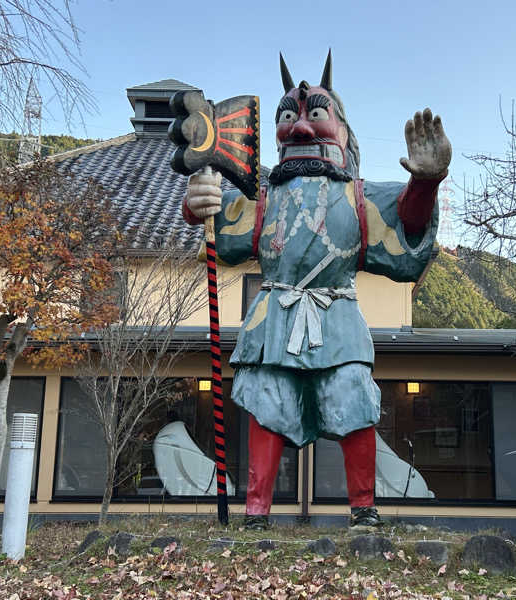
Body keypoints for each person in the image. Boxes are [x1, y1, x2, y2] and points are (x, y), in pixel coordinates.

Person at [182, 52, 451, 530]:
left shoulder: (358, 195)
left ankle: (363, 511)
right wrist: (195, 205)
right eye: (288, 118)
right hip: (276, 313)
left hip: (338, 313)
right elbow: (220, 224)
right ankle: (257, 512)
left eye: (315, 114)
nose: (300, 128)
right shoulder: (262, 198)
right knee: (267, 399)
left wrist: (425, 183)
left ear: (343, 130)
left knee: (352, 397)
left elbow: (405, 224)